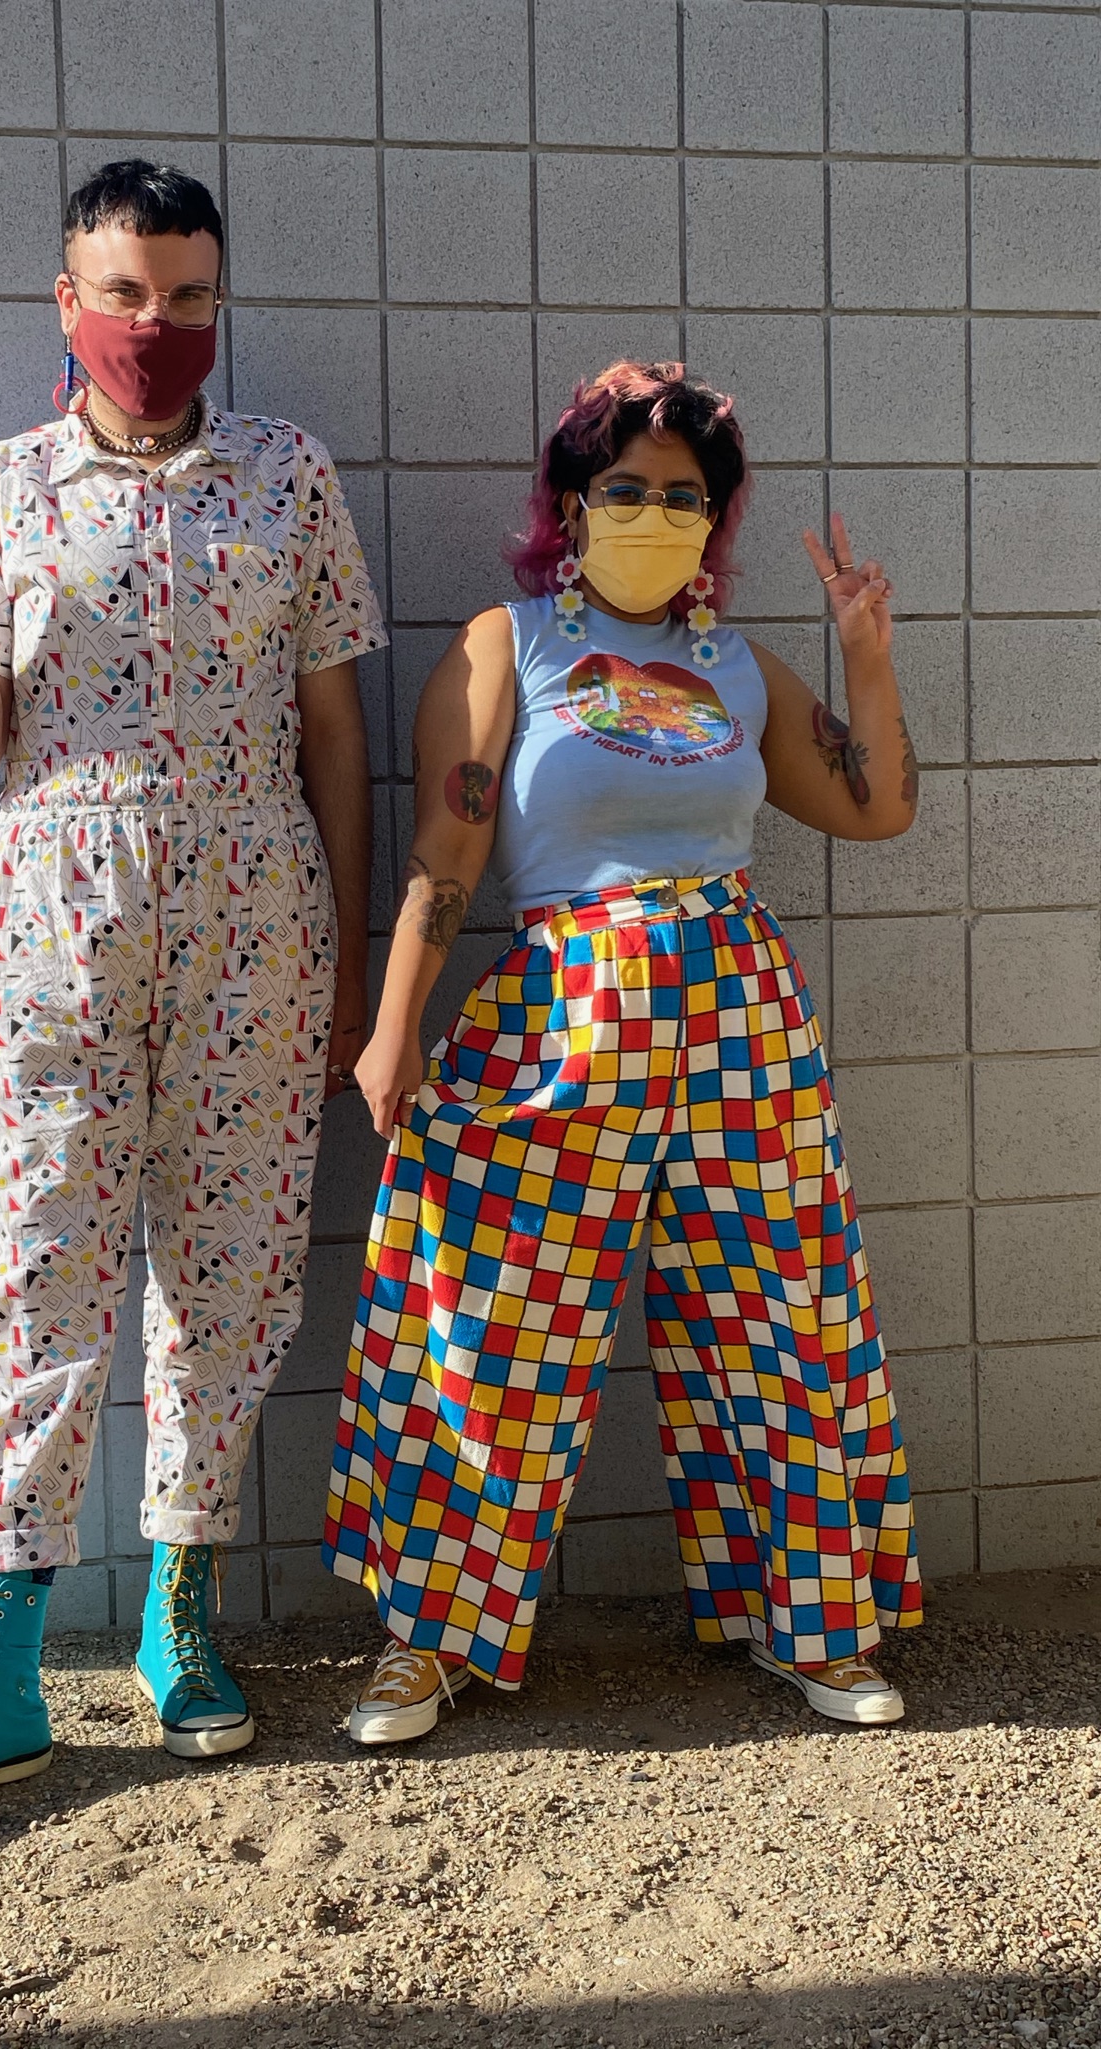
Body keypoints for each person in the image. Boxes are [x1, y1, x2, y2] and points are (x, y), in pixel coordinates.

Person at [0, 159, 385, 1819]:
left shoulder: (287, 474)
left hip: (258, 914)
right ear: (68, 303)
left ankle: (176, 1613)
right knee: (29, 1262)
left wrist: (345, 963)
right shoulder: (16, 481)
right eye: (125, 294)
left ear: (220, 303)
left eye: (189, 296)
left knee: (233, 1267)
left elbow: (336, 732)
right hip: (53, 909)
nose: (157, 325)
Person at [323, 361, 922, 1746]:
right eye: (630, 489)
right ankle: (430, 1640)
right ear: (572, 499)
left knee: (784, 1320)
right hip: (562, 1013)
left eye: (686, 497)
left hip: (739, 1014)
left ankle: (816, 1623)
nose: (657, 513)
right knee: (493, 1325)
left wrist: (866, 653)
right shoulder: (506, 645)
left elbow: (873, 807)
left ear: (716, 521)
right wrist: (395, 1024)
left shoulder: (734, 662)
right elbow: (449, 846)